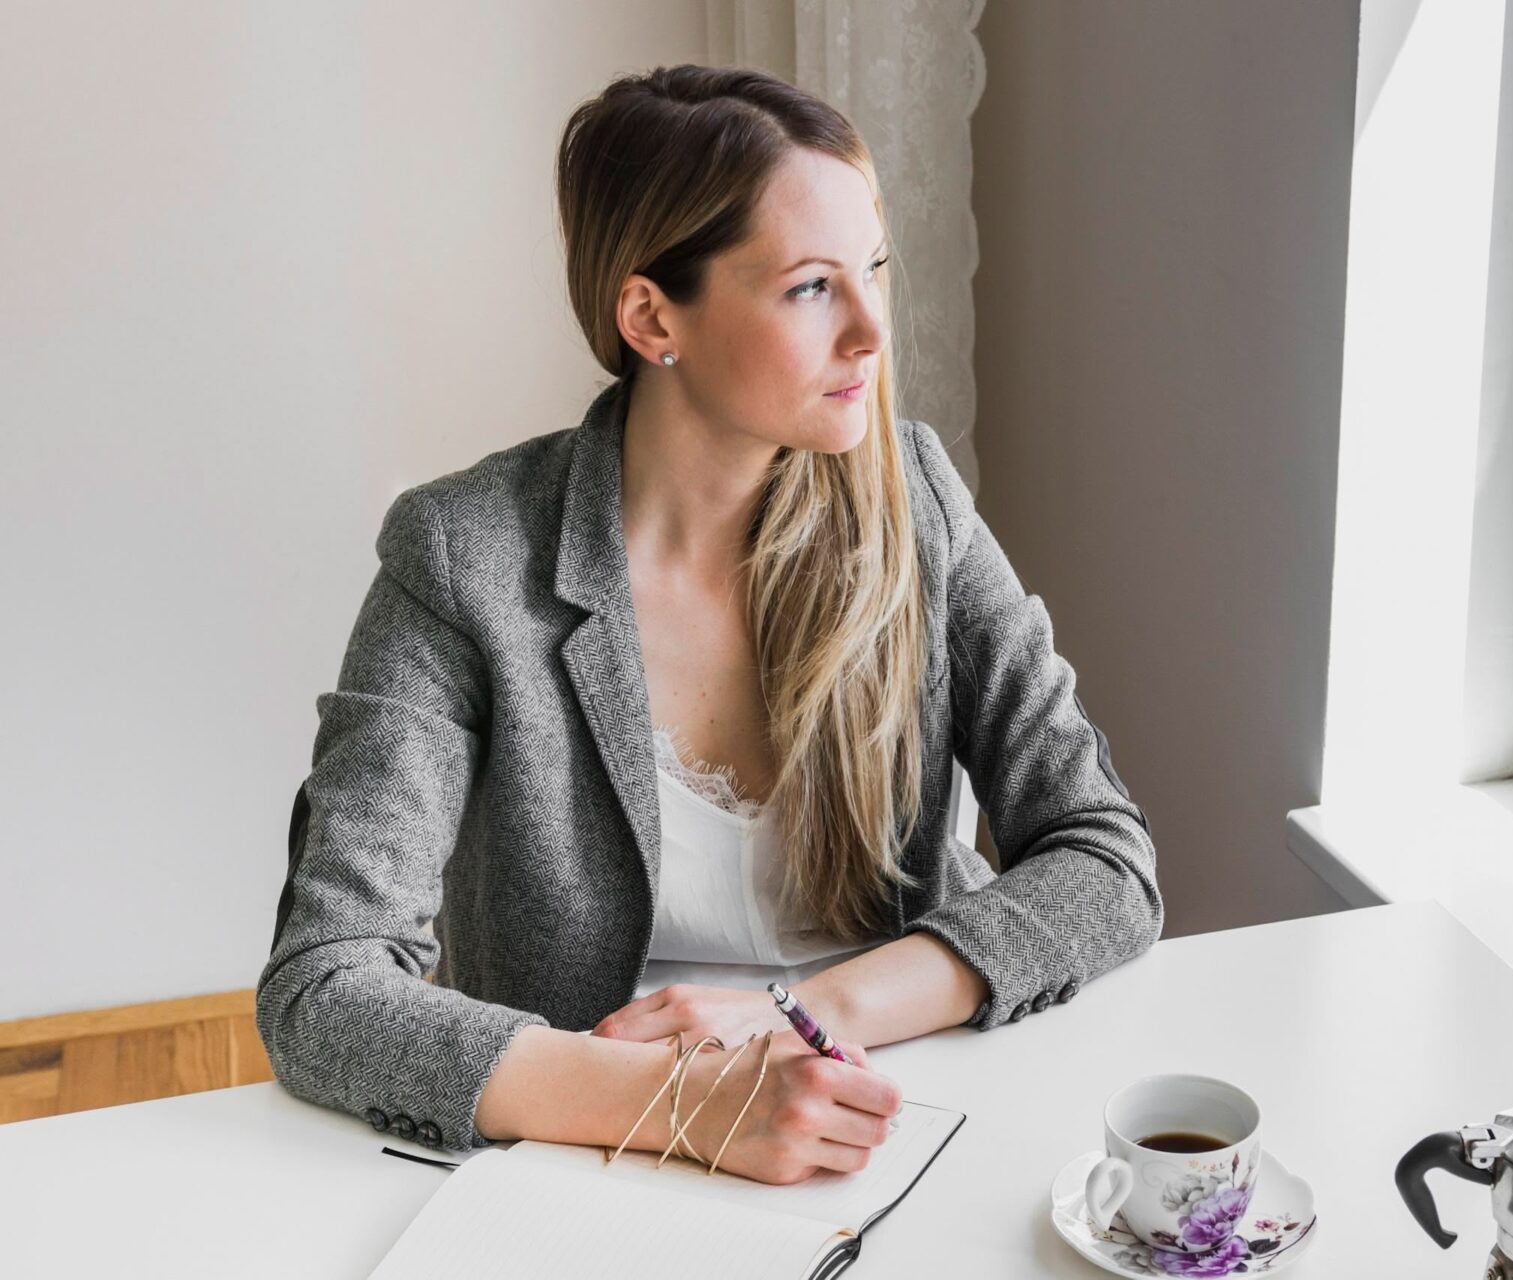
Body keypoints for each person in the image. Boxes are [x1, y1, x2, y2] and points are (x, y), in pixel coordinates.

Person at [256, 64, 1162, 1186]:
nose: (874, 331)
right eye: (810, 287)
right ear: (651, 316)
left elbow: (1103, 856)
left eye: (874, 268)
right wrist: (688, 1102)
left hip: (905, 1103)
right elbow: (324, 985)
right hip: (599, 1139)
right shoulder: (464, 557)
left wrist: (804, 1014)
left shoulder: (915, 499)